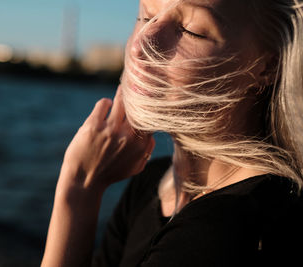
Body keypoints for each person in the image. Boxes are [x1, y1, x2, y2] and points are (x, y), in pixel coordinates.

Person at [41, 0, 303, 266]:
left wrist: (80, 186)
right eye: (146, 17)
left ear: (268, 66)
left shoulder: (227, 229)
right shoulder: (150, 182)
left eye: (191, 31)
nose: (140, 44)